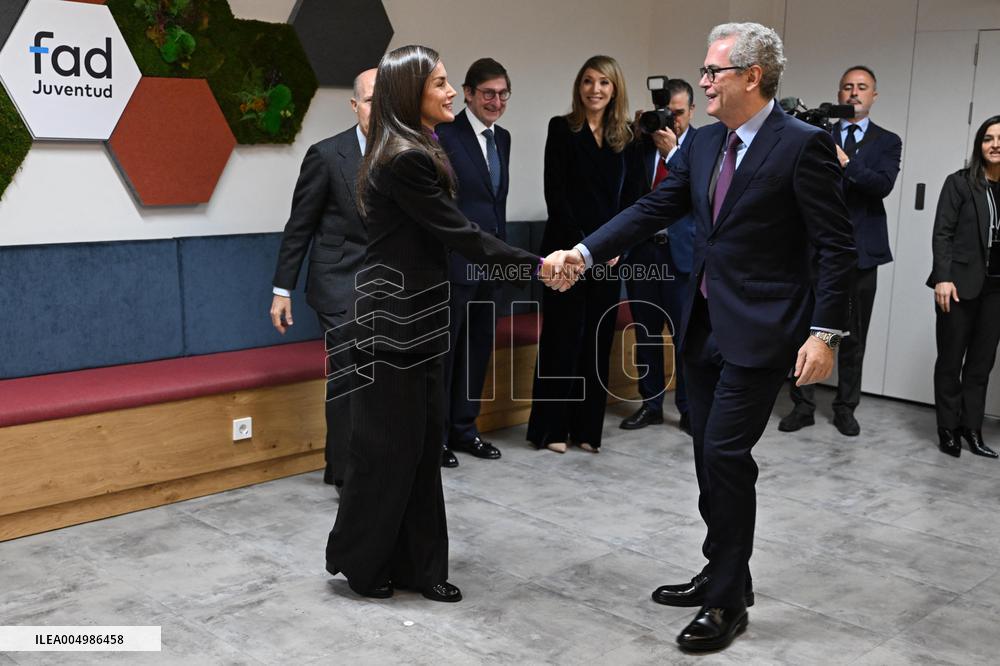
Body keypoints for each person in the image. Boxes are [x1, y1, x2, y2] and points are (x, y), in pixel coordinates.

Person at [545, 23, 855, 651]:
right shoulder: (705, 142)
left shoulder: (802, 146)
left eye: (714, 72)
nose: (703, 82)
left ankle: (726, 603)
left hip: (764, 332)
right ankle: (723, 570)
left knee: (724, 457)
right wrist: (583, 250)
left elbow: (835, 245)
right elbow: (652, 209)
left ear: (752, 76)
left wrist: (825, 333)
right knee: (706, 458)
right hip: (703, 326)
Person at [324, 44, 551, 603]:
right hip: (391, 325)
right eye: (442, 84)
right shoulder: (405, 156)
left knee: (421, 452)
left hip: (419, 320)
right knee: (387, 455)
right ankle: (365, 565)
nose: (453, 93)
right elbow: (462, 234)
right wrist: (539, 265)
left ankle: (420, 568)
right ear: (412, 94)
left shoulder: (417, 145)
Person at [779, 65, 902, 437]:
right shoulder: (817, 134)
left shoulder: (887, 141)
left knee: (853, 335)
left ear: (874, 96)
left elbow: (881, 185)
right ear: (838, 93)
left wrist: (845, 161)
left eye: (862, 88)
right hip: (815, 250)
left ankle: (846, 407)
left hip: (863, 253)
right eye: (847, 87)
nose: (853, 93)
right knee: (808, 328)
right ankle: (802, 405)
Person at [269, 68, 376, 489]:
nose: (379, 108)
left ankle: (368, 465)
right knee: (349, 372)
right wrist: (282, 290)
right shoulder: (327, 155)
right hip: (337, 282)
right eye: (370, 100)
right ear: (355, 105)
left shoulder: (404, 154)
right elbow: (300, 226)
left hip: (386, 284)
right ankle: (346, 475)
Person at [526, 54, 638, 454]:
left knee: (597, 339)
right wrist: (582, 250)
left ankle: (587, 430)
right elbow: (556, 196)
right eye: (588, 81)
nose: (595, 89)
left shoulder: (629, 136)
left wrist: (614, 246)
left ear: (615, 88)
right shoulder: (562, 129)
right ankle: (551, 429)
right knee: (561, 338)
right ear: (579, 87)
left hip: (608, 258)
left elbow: (635, 201)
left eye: (604, 82)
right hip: (565, 255)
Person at [436, 58, 514, 468]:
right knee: (446, 354)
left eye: (502, 94)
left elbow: (495, 204)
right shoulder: (444, 135)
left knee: (477, 350)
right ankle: (438, 438)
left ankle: (466, 430)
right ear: (467, 93)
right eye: (488, 93)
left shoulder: (503, 138)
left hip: (492, 265)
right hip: (454, 263)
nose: (495, 101)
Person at [620, 78, 698, 435]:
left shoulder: (702, 145)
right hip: (643, 255)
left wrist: (673, 154)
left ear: (692, 111)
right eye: (668, 113)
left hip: (682, 257)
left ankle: (688, 409)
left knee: (685, 339)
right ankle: (650, 404)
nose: (673, 121)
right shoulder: (641, 144)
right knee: (646, 334)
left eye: (679, 113)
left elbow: (701, 194)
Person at [928, 115, 1000, 459]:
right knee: (951, 360)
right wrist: (942, 277)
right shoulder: (959, 183)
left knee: (981, 364)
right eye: (988, 138)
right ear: (979, 145)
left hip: (996, 291)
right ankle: (947, 428)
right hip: (957, 285)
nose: (995, 144)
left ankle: (972, 429)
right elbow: (942, 232)